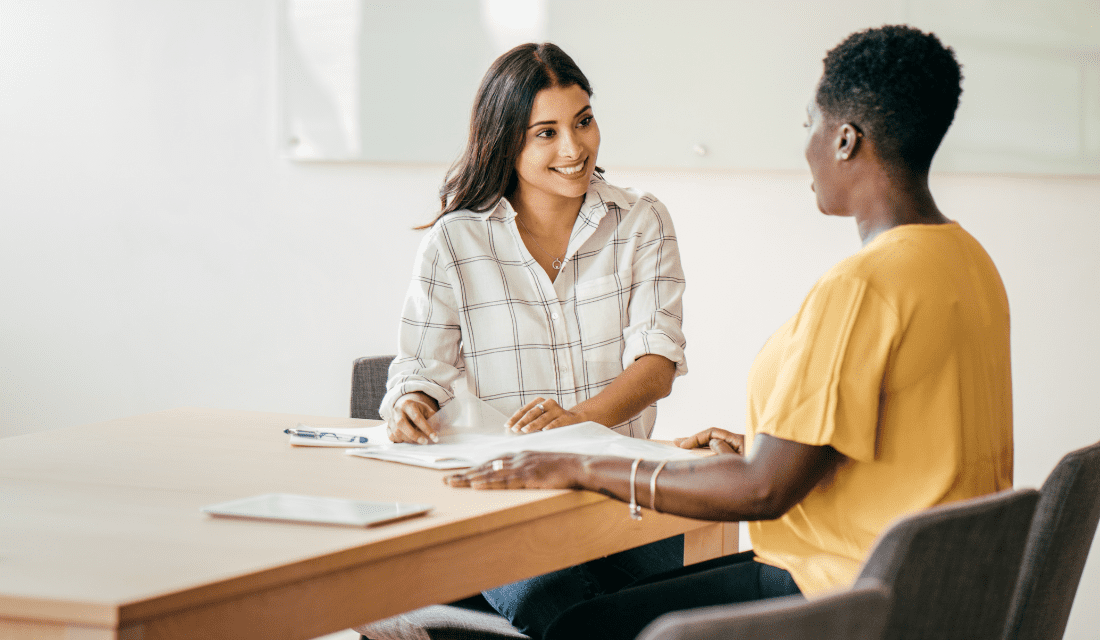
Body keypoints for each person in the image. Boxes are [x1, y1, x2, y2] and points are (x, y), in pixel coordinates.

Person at [445, 25, 1014, 640]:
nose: (808, 148)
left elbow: (761, 494)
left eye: (810, 127)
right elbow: (908, 445)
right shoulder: (967, 262)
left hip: (843, 596)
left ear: (846, 140)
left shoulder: (863, 287)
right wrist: (764, 448)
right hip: (932, 594)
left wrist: (579, 465)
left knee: (575, 626)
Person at [379, 43, 689, 638]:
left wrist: (572, 425)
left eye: (583, 121)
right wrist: (411, 404)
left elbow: (657, 363)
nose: (574, 149)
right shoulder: (455, 242)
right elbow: (418, 368)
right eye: (545, 132)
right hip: (504, 511)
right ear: (505, 142)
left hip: (623, 503)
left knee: (669, 607)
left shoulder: (641, 220)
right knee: (567, 608)